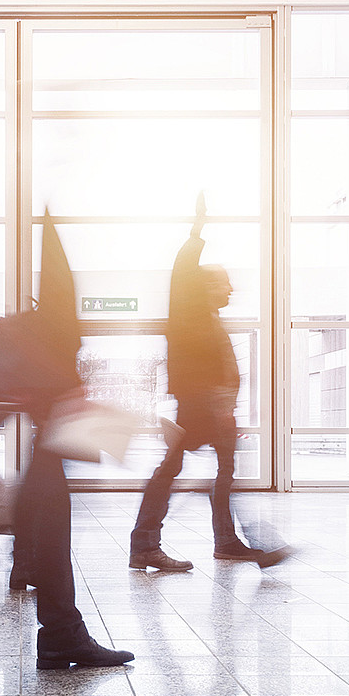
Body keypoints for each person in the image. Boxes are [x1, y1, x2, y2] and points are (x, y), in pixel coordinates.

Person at [0, 214, 133, 670]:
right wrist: (67, 389)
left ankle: (56, 621)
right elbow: (60, 311)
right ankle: (62, 634)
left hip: (49, 439)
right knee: (50, 518)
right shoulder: (53, 324)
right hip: (51, 440)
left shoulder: (31, 330)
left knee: (43, 514)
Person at [130, 194, 291, 571]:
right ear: (201, 287)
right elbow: (183, 270)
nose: (231, 290)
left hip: (211, 405)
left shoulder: (207, 316)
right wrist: (197, 228)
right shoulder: (188, 310)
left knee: (208, 473)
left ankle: (220, 542)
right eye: (224, 284)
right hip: (201, 405)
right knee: (186, 473)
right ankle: (154, 544)